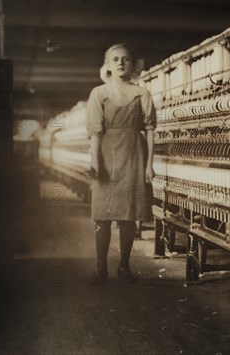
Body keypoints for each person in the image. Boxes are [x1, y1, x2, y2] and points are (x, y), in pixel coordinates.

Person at [86, 43, 156, 284]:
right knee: (102, 215)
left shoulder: (142, 94)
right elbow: (95, 131)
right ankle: (100, 267)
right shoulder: (99, 93)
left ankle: (124, 266)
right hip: (106, 155)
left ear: (133, 64)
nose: (120, 62)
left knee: (129, 214)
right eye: (115, 59)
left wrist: (149, 165)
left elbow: (150, 130)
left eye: (125, 58)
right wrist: (95, 162)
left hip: (134, 155)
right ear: (107, 65)